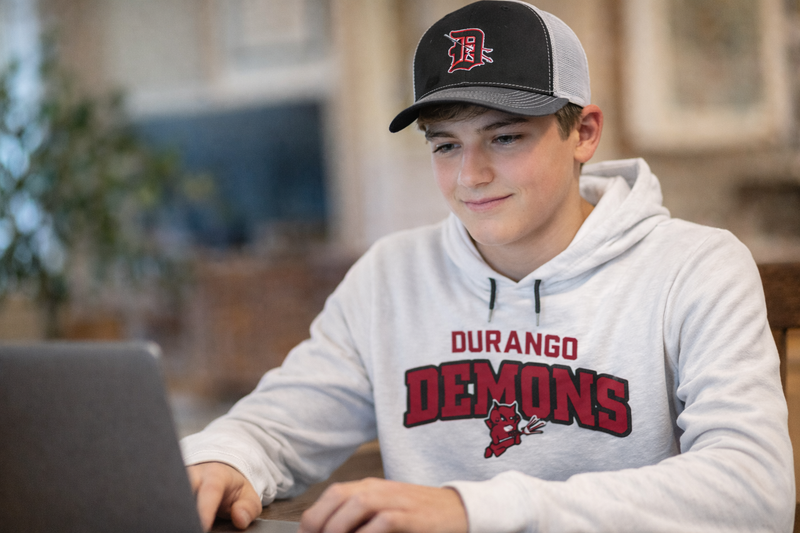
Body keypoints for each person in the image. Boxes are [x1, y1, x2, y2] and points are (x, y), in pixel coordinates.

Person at [182, 2, 795, 532]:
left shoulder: (696, 268)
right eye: (446, 144)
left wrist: (474, 510)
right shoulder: (391, 276)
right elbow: (279, 424)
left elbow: (753, 488)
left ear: (583, 133)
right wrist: (224, 457)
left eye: (504, 138)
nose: (470, 175)